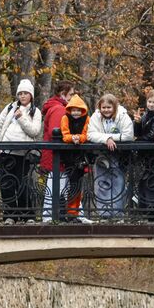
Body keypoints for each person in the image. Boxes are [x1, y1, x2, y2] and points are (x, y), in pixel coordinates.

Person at [0, 79, 44, 221]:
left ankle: (27, 215)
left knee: (23, 184)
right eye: (20, 93)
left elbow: (35, 131)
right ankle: (10, 216)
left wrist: (21, 118)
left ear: (31, 95)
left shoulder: (35, 111)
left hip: (23, 154)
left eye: (26, 93)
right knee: (6, 185)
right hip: (5, 152)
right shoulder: (9, 108)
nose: (23, 96)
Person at [88, 93, 134, 219]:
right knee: (102, 183)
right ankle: (104, 214)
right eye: (104, 107)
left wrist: (112, 138)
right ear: (99, 107)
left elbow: (128, 135)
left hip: (119, 156)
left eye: (109, 107)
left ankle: (117, 213)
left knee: (118, 183)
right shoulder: (95, 117)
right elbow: (91, 134)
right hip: (101, 156)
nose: (106, 110)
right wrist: (106, 138)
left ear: (114, 107)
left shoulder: (123, 116)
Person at [53, 94, 92, 222]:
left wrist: (79, 139)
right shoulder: (65, 118)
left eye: (78, 110)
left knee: (78, 184)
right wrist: (73, 138)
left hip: (81, 156)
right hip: (69, 157)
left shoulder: (87, 119)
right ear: (70, 109)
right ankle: (71, 213)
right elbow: (65, 135)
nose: (76, 112)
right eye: (73, 110)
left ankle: (74, 212)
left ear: (82, 110)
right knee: (73, 184)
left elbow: (87, 134)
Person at [39, 80, 75, 215]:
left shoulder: (56, 107)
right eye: (70, 94)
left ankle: (76, 214)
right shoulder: (59, 109)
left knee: (63, 186)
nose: (72, 97)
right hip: (58, 155)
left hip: (56, 155)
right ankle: (48, 217)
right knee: (56, 186)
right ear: (62, 94)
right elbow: (56, 133)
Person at [133, 88, 154, 220]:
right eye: (149, 101)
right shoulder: (146, 115)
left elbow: (153, 135)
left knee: (152, 181)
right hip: (145, 154)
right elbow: (138, 132)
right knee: (144, 180)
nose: (151, 104)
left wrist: (139, 140)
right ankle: (145, 209)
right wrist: (137, 123)